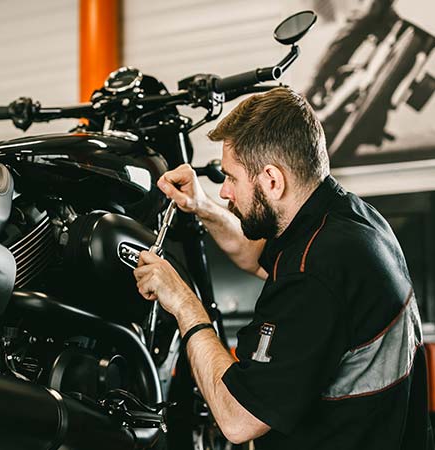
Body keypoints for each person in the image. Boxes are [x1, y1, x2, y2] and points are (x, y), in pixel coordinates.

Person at [133, 87, 433, 449]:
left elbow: (237, 420)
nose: (225, 191)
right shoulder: (348, 221)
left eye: (231, 177)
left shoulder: (316, 271)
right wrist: (202, 207)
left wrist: (183, 302)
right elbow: (254, 254)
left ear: (272, 180)